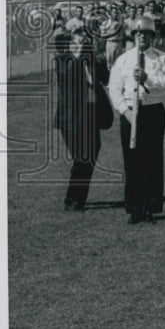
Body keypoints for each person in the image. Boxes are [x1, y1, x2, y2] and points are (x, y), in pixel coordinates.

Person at [108, 15, 165, 223]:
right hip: (130, 112)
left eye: (145, 33)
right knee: (132, 160)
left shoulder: (162, 58)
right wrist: (125, 112)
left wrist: (149, 79)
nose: (141, 37)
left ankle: (150, 207)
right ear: (133, 35)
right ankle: (134, 208)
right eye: (137, 33)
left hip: (153, 111)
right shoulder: (123, 59)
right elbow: (114, 89)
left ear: (151, 36)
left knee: (152, 160)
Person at [52, 28, 112, 211]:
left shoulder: (92, 59)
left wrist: (99, 57)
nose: (80, 46)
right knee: (82, 157)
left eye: (83, 42)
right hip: (71, 117)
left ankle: (79, 199)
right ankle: (72, 200)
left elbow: (105, 79)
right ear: (70, 44)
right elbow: (67, 76)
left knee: (90, 154)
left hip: (91, 113)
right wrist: (78, 56)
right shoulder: (62, 60)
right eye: (76, 42)